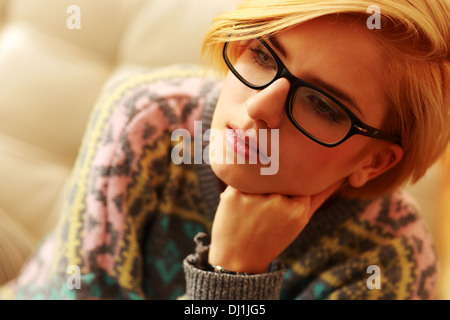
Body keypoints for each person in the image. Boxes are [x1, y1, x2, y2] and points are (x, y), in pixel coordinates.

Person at [0, 0, 448, 300]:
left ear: (373, 161)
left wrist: (233, 276)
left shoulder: (392, 263)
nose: (257, 107)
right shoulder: (149, 122)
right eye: (264, 56)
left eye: (322, 105)